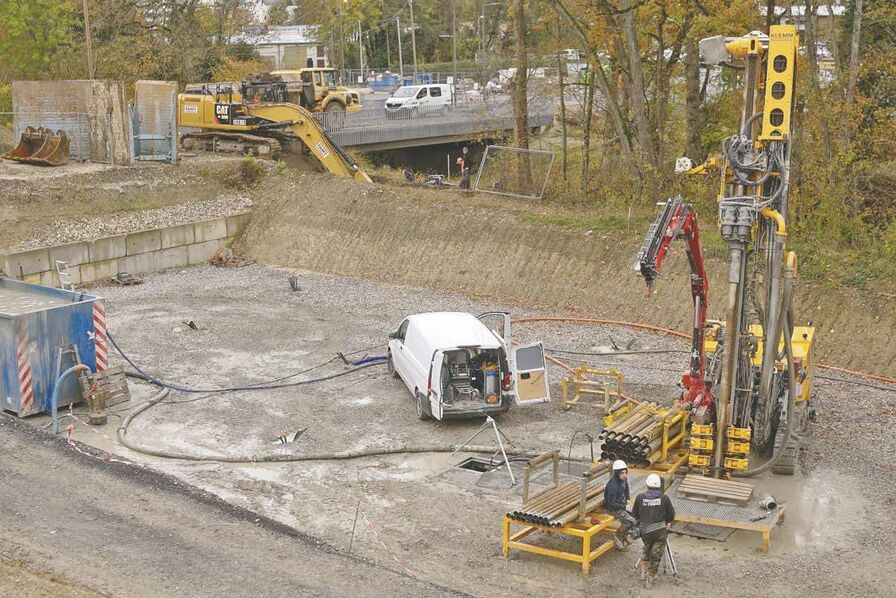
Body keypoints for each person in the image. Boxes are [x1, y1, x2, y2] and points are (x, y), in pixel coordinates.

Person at [632, 473, 676, 589]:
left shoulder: (640, 497)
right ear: (659, 486)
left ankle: (643, 571)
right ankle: (650, 579)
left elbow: (635, 515)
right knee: (655, 556)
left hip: (645, 532)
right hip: (659, 532)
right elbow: (671, 516)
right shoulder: (664, 498)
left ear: (647, 485)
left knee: (647, 547)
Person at [604, 459, 637, 551]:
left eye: (625, 473)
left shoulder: (622, 479)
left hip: (621, 504)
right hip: (612, 509)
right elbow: (611, 503)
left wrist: (628, 499)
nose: (624, 475)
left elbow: (626, 489)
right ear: (617, 473)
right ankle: (618, 537)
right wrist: (624, 507)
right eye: (622, 473)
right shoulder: (612, 486)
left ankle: (624, 534)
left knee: (635, 516)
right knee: (629, 521)